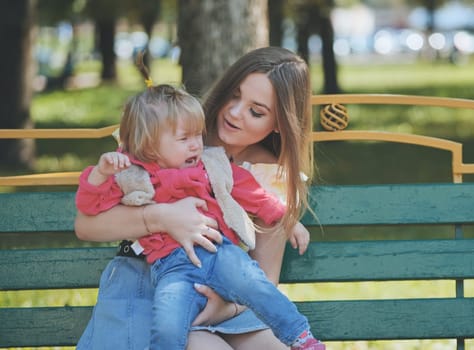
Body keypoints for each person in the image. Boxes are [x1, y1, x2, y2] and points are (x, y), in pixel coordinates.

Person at [74, 47, 316, 350]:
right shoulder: (166, 128)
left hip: (226, 295)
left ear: (281, 123)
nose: (234, 113)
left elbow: (265, 278)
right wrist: (164, 217)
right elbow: (86, 226)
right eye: (234, 95)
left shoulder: (271, 175)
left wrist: (224, 308)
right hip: (153, 283)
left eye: (256, 111)